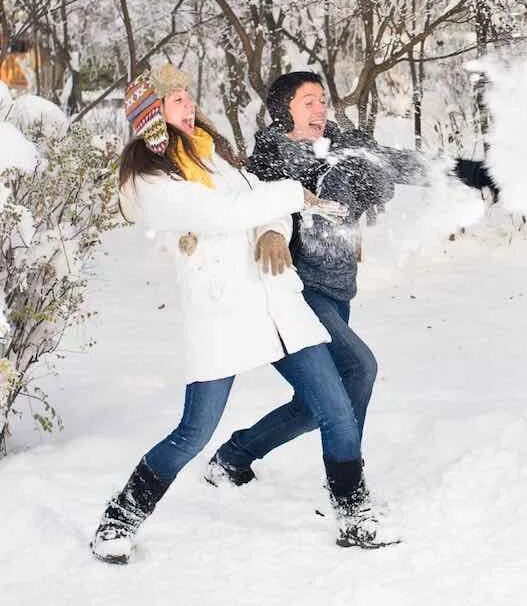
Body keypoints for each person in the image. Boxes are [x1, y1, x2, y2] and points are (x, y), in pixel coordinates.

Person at [89, 64, 390, 564]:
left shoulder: (216, 157)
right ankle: (119, 519)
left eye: (188, 95)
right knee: (193, 433)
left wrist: (273, 229)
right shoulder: (151, 180)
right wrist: (293, 197)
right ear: (151, 116)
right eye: (176, 99)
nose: (189, 104)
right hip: (223, 315)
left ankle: (353, 514)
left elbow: (253, 201)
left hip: (276, 301)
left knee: (334, 407)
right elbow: (219, 214)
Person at [204, 72, 496, 484]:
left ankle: (234, 457)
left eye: (323, 100)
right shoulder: (269, 164)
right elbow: (280, 205)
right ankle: (346, 478)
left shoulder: (343, 144)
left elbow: (397, 163)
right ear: (283, 110)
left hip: (337, 290)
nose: (321, 109)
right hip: (294, 294)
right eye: (309, 102)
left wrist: (469, 172)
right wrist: (346, 176)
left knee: (315, 403)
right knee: (359, 370)